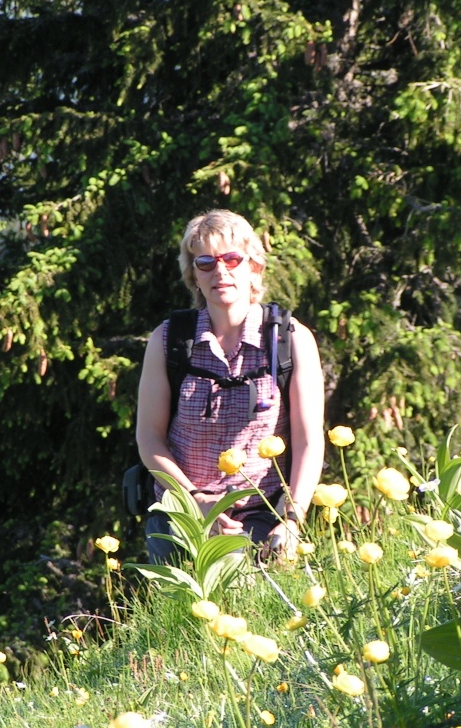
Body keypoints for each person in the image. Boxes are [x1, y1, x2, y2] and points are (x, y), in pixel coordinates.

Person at [136, 209, 325, 564]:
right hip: (183, 511)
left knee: (248, 586)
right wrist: (195, 500)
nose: (220, 271)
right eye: (205, 262)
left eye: (232, 259)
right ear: (193, 274)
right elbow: (149, 438)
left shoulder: (289, 340)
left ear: (254, 266)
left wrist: (292, 519)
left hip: (263, 513)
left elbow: (308, 441)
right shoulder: (169, 340)